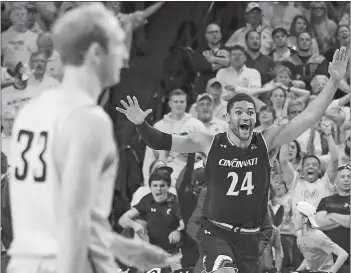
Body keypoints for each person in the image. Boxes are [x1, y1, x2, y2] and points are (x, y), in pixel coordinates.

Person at [117, 47, 350, 273]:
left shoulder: (266, 141)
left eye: (250, 112)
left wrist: (333, 82)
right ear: (227, 117)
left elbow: (309, 116)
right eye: (239, 111)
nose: (246, 116)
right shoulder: (208, 142)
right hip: (216, 231)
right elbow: (162, 141)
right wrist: (141, 124)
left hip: (250, 237)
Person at [7, 3, 178, 273]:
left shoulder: (31, 110)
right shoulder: (88, 120)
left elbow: (53, 214)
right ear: (97, 53)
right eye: (120, 44)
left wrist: (122, 247)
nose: (124, 55)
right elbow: (74, 223)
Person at [293, 201, 348, 273]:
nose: (292, 219)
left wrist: (331, 272)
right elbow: (309, 257)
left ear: (304, 220)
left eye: (295, 215)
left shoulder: (317, 236)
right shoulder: (300, 237)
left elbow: (343, 254)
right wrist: (297, 271)